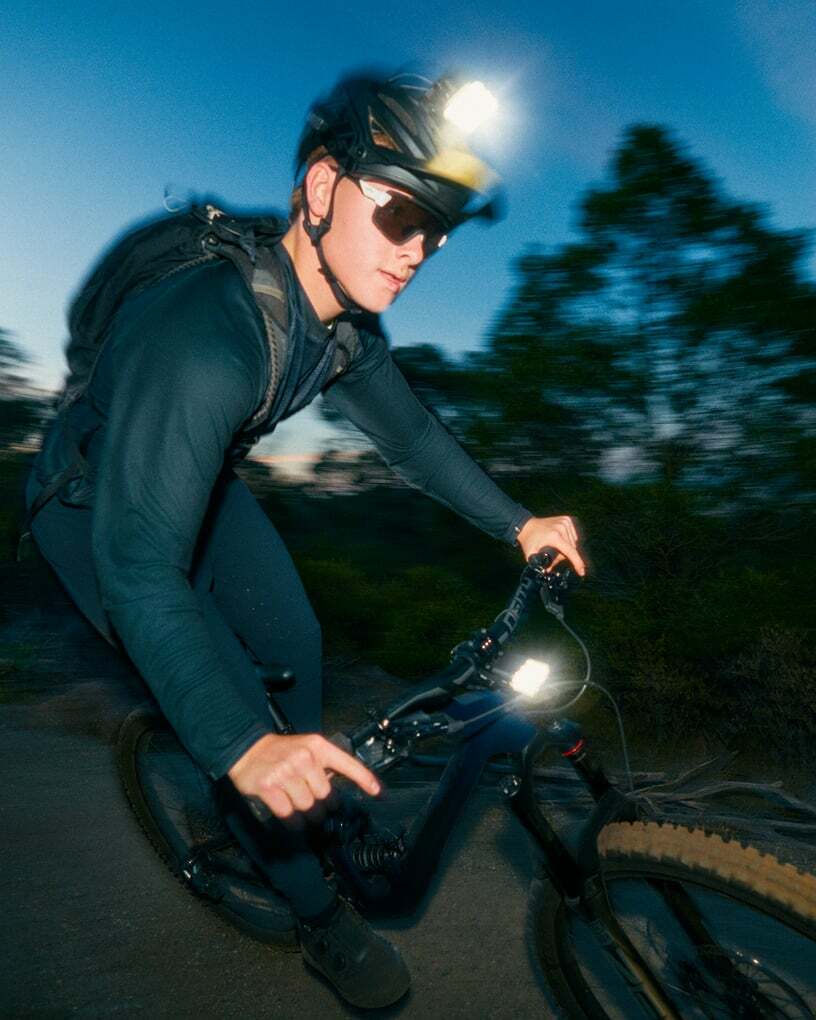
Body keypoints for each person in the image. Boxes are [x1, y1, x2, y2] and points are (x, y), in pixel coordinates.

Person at [25, 70, 586, 1009]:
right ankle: (318, 915)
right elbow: (139, 569)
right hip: (94, 512)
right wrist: (244, 746)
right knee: (241, 721)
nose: (419, 250)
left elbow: (412, 439)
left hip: (195, 477)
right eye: (400, 215)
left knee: (297, 643)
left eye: (437, 230)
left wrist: (518, 521)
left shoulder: (338, 328)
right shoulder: (209, 339)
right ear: (322, 189)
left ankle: (308, 799)